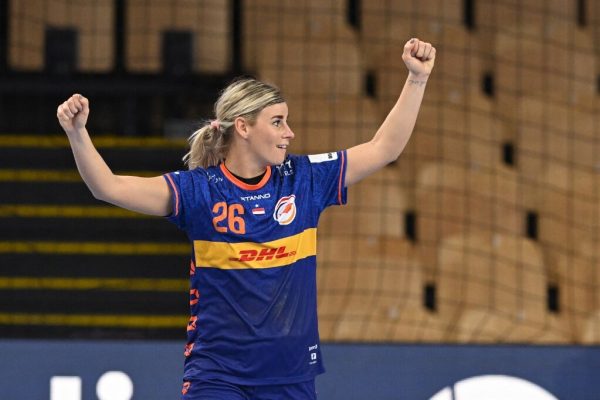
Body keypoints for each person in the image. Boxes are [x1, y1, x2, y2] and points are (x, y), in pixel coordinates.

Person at [57, 38, 435, 400]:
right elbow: (107, 187)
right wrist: (77, 133)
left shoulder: (304, 179)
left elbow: (384, 148)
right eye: (277, 122)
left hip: (289, 373)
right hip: (217, 374)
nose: (289, 133)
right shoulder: (199, 191)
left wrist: (417, 78)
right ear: (243, 127)